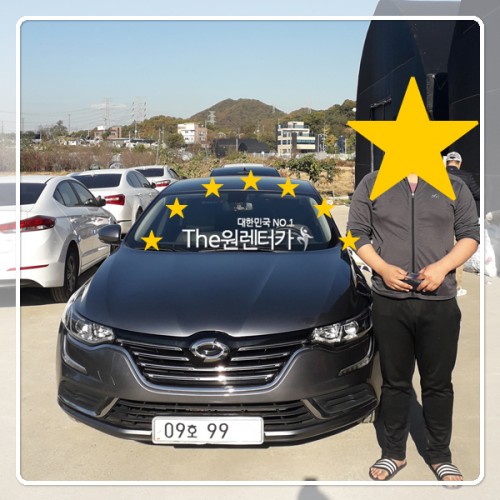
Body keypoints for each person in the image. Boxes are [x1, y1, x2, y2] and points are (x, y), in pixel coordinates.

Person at [347, 170, 479, 482]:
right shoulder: (373, 183)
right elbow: (357, 233)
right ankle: (394, 452)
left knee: (438, 383)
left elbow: (469, 234)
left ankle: (440, 454)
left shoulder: (453, 185)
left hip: (440, 302)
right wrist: (382, 268)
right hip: (390, 301)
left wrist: (442, 268)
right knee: (395, 382)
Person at [445, 151, 481, 296]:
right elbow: (478, 194)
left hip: (440, 217)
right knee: (458, 251)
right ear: (459, 163)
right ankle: (457, 287)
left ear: (447, 162)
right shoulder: (466, 176)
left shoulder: (437, 175)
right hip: (459, 218)